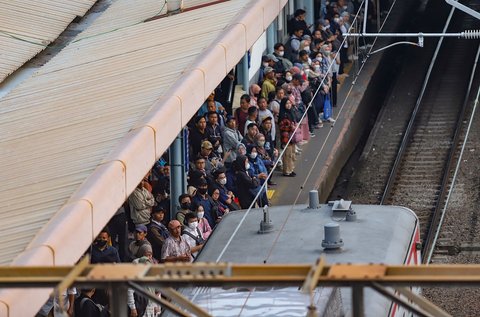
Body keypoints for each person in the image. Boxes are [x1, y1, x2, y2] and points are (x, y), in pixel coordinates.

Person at [279, 98, 297, 177]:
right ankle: (286, 171)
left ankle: (291, 169)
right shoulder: (283, 115)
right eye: (287, 103)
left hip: (291, 137)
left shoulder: (290, 112)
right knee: (287, 154)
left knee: (292, 154)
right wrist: (291, 127)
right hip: (286, 137)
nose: (289, 105)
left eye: (289, 103)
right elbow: (282, 127)